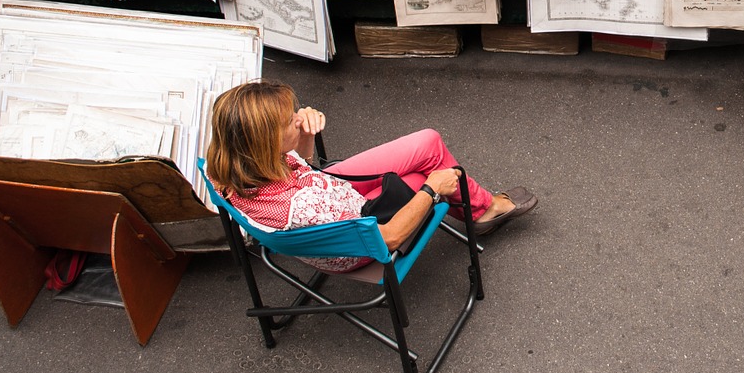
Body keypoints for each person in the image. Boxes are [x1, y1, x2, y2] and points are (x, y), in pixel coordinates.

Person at [206, 80, 537, 272]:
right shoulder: (302, 206)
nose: (297, 117)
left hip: (331, 194)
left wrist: (304, 136)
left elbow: (306, 167)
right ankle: (482, 210)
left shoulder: (231, 164)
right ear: (266, 143)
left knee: (427, 142)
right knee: (433, 170)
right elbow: (387, 238)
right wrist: (431, 190)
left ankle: (478, 209)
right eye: (288, 122)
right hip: (358, 237)